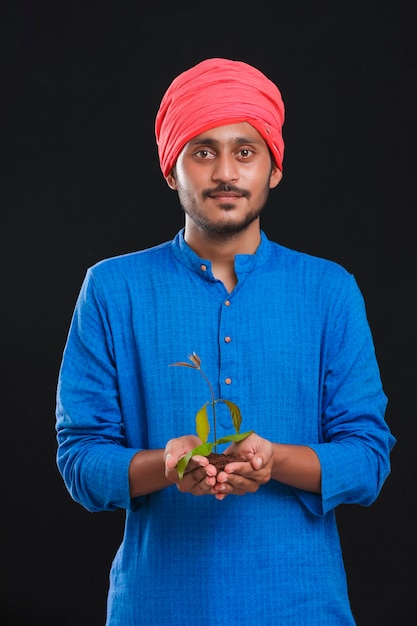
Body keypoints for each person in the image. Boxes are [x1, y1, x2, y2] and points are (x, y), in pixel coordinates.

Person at [55, 57, 396, 625]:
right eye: (203, 150)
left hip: (303, 608)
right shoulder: (113, 289)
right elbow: (81, 460)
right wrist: (167, 465)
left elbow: (367, 458)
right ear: (172, 169)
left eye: (245, 151)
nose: (225, 173)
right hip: (157, 608)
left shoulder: (328, 290)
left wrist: (274, 460)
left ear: (274, 168)